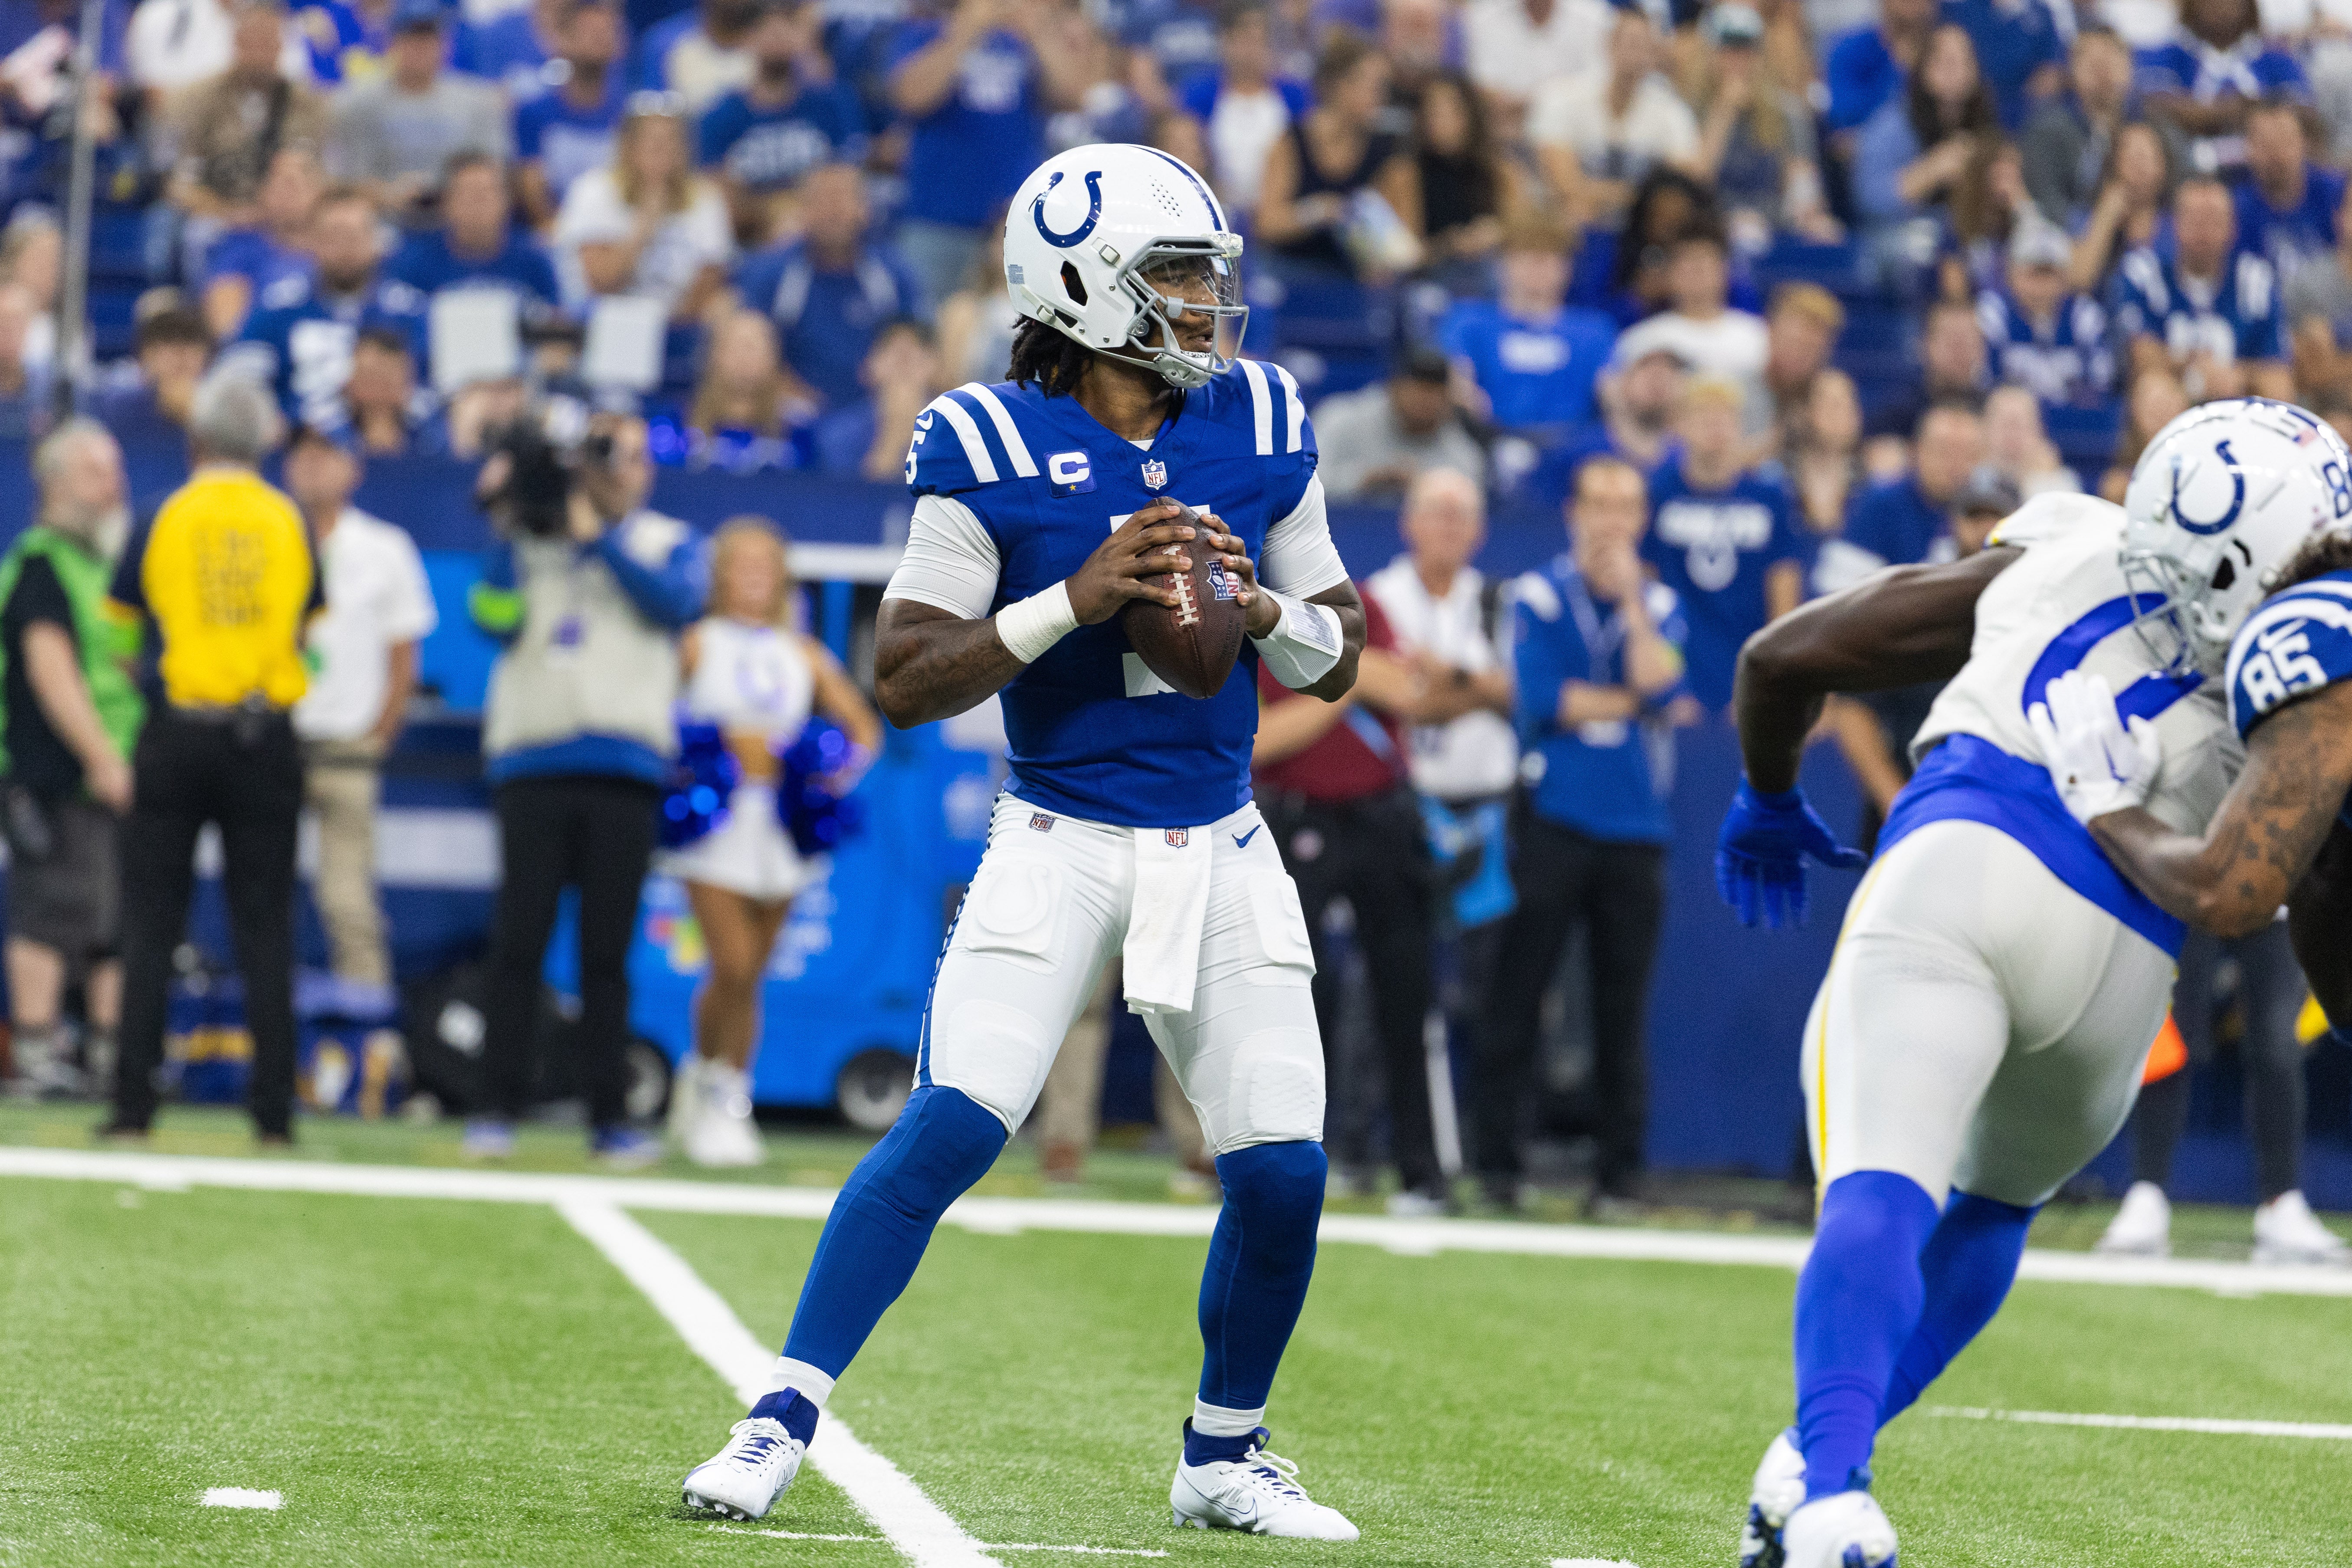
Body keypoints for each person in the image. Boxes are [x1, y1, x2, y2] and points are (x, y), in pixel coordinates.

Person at [675, 142, 1367, 1538]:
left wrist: (1262, 606)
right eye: (1173, 273)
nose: (1201, 302)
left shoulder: (1266, 419)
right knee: (948, 1126)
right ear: (1081, 287)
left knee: (1284, 1164)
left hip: (1217, 838)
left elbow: (1340, 651)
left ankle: (1222, 1451)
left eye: (1206, 274)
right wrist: (1075, 595)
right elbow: (907, 673)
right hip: (1060, 831)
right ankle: (778, 1415)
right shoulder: (981, 437)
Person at [1714, 400, 2347, 1568]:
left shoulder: (2067, 537)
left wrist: (1761, 792)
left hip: (1965, 865)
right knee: (1993, 1206)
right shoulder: (2309, 669)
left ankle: (1833, 1492)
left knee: (1879, 1183)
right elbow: (2286, 909)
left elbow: (1783, 655)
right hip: (2124, 975)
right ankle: (1808, 1468)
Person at [466, 410, 702, 1167]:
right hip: (531, 763)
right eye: (599, 456)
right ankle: (495, 1107)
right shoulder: (531, 539)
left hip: (623, 769)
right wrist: (509, 522)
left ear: (647, 469)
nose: (611, 469)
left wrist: (596, 538)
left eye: (626, 457)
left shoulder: (667, 540)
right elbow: (493, 619)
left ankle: (608, 1117)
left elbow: (674, 605)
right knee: (519, 943)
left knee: (606, 953)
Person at [101, 375, 318, 1147]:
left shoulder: (165, 512)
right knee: (266, 926)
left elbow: (124, 630)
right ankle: (274, 1115)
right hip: (265, 734)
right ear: (262, 445)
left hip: (178, 730)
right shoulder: (287, 518)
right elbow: (305, 623)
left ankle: (132, 1106)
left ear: (196, 441)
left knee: (152, 921)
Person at [1477, 456, 1684, 1215]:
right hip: (1555, 816)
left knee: (1620, 1008)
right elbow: (1541, 697)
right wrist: (1628, 701)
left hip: (1636, 828)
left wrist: (1631, 603)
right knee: (1519, 990)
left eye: (1625, 506)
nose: (1610, 521)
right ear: (1574, 511)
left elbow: (1662, 683)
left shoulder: (1660, 602)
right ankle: (1498, 1164)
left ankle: (1617, 1175)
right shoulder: (1536, 595)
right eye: (1598, 503)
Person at [658, 518, 879, 1166]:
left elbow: (863, 730)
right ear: (720, 575)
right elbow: (655, 716)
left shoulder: (804, 653)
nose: (753, 578)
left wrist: (821, 772)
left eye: (765, 566)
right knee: (730, 961)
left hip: (781, 827)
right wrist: (702, 759)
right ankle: (717, 1093)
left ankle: (714, 1087)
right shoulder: (697, 642)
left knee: (750, 973)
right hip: (714, 821)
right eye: (740, 565)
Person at [1252, 582, 1443, 1214]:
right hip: (1296, 814)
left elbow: (1411, 691)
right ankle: (1279, 1157)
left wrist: (1327, 685)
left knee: (1404, 992)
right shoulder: (1251, 608)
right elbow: (1260, 738)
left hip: (1380, 817)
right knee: (1289, 997)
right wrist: (1351, 681)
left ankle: (1420, 1170)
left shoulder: (1359, 600)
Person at [1362, 466, 1516, 1173]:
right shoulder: (1379, 596)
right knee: (1385, 981)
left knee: (1492, 988)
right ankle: (1363, 1140)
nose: (1449, 528)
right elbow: (1395, 696)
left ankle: (1488, 1154)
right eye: (1437, 513)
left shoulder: (1496, 600)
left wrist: (1439, 678)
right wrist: (1471, 688)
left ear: (1480, 530)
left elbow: (1519, 694)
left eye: (1462, 516)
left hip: (1484, 810)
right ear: (1409, 522)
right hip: (1404, 805)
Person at [0, 423, 139, 1099]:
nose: (113, 484)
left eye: (115, 469)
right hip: (51, 770)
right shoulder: (42, 563)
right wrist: (102, 756)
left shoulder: (105, 565)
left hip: (106, 770)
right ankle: (36, 1049)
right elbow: (51, 672)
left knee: (114, 916)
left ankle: (114, 1055)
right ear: (55, 483)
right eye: (95, 471)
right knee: (51, 910)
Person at [283, 423, 434, 1019]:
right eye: (305, 453)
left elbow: (405, 649)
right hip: (276, 740)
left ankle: (370, 1040)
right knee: (263, 892)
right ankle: (255, 1034)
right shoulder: (269, 536)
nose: (315, 467)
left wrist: (382, 729)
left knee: (349, 898)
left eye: (329, 455)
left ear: (355, 469)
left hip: (348, 743)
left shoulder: (385, 547)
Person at [2097, 920, 2348, 1264]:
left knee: (2277, 1045)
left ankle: (2281, 1201)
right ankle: (2146, 1193)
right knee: (2172, 1038)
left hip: (2272, 896)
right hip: (2192, 892)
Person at [1822, 465, 2013, 852]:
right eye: (1973, 517)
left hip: (2007, 824)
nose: (1984, 531)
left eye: (1997, 518)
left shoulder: (2037, 618)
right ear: (1952, 525)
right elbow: (1852, 710)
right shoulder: (1915, 612)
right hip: (1916, 812)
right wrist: (1899, 804)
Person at [885, 0, 1089, 309]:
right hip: (938, 219)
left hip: (1014, 222)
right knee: (926, 328)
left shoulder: (1020, 40)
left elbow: (1074, 96)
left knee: (1022, 328)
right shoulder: (922, 34)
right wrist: (967, 30)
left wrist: (1038, 33)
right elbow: (911, 97)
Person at [1642, 374, 1808, 710]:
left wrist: (1767, 687)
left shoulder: (1769, 498)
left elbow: (1784, 599)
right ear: (1681, 426)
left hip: (1747, 663)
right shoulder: (1658, 492)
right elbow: (1646, 592)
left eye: (1725, 417)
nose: (1715, 427)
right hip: (1682, 666)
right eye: (1703, 417)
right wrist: (1667, 687)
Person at [220, 184, 429, 433]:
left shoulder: (409, 311)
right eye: (334, 236)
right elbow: (239, 380)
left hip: (395, 448)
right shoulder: (279, 307)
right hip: (298, 444)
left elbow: (434, 392)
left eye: (354, 236)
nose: (345, 249)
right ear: (313, 242)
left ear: (376, 242)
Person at [732, 163, 923, 412]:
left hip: (873, 412)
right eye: (822, 200)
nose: (833, 212)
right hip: (792, 412)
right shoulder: (770, 274)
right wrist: (785, 389)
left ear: (864, 209)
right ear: (803, 210)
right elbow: (745, 346)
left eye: (842, 200)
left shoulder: (894, 273)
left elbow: (918, 348)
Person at [2111, 174, 2295, 403]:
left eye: (2214, 220)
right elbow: (2141, 359)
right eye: (2195, 220)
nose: (2204, 231)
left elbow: (2280, 377)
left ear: (2233, 227)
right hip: (2172, 408)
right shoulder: (2145, 274)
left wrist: (2239, 376)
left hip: (2237, 409)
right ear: (2174, 225)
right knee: (2153, 391)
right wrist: (2194, 370)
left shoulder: (2257, 280)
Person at [1253, 32, 1420, 283]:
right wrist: (1319, 212)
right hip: (1293, 277)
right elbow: (1268, 224)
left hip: (1354, 285)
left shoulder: (1388, 153)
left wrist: (1377, 248)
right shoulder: (1291, 142)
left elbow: (1408, 246)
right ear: (1341, 86)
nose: (1381, 97)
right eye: (1374, 86)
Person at [325, 0, 509, 225]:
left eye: (429, 37)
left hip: (459, 227)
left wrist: (453, 198)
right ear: (392, 43)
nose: (421, 47)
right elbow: (343, 182)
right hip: (383, 225)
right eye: (411, 37)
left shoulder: (478, 101)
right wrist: (388, 195)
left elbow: (496, 175)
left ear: (446, 43)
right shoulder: (357, 103)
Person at [698, 0, 866, 245]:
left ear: (802, 35)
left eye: (787, 25)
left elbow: (850, 182)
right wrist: (773, 214)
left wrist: (801, 214)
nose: (777, 36)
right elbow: (716, 199)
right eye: (765, 26)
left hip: (825, 240)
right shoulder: (719, 116)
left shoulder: (832, 103)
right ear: (747, 37)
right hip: (750, 246)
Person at [1437, 213, 1616, 442]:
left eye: (1550, 259)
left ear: (1568, 268)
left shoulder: (1594, 330)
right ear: (1503, 264)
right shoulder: (1470, 321)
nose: (1538, 269)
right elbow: (1457, 378)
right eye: (1528, 257)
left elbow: (1613, 395)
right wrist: (1470, 404)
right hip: (1489, 438)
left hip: (1572, 445)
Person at [554, 97, 734, 320]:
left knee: (725, 305)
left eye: (670, 143)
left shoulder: (705, 198)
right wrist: (644, 227)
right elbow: (601, 282)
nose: (660, 153)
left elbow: (710, 280)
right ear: (628, 147)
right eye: (651, 143)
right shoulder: (593, 191)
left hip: (679, 322)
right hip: (607, 317)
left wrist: (666, 328)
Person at [167, 0, 329, 230]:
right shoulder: (198, 100)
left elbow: (323, 176)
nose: (259, 55)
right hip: (215, 218)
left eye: (268, 44)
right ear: (236, 43)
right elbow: (178, 182)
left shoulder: (308, 104)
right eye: (251, 42)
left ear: (282, 47)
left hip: (290, 224)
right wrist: (226, 213)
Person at [1686, 3, 1837, 246]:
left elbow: (1802, 179)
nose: (1738, 60)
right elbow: (1694, 182)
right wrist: (1725, 110)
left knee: (1825, 234)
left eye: (1747, 50)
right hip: (1708, 225)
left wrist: (1809, 214)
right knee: (1746, 235)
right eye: (1728, 49)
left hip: (1773, 220)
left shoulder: (1787, 112)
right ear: (1711, 55)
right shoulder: (1690, 112)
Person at [1528, 9, 1696, 227]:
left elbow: (1680, 188)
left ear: (1656, 54)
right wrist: (1642, 195)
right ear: (1609, 44)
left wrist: (1595, 192)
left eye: (1646, 46)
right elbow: (1564, 185)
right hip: (1575, 225)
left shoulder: (1672, 112)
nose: (1636, 53)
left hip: (1640, 231)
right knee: (1571, 210)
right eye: (1632, 42)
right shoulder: (1561, 97)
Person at [1852, 23, 1998, 272]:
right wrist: (1930, 172)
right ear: (1925, 68)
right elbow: (1869, 198)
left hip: (1967, 237)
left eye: (1965, 62)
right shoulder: (1893, 124)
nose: (1956, 71)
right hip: (1900, 234)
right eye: (1946, 62)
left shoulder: (1984, 122)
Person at [1817, 400, 1985, 594]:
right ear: (1917, 451)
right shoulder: (1880, 503)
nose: (1955, 463)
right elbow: (1838, 595)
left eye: (1967, 453)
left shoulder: (1987, 509)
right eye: (1944, 450)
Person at [1610, 226, 1769, 422]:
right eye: (1689, 265)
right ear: (1670, 274)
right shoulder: (1642, 339)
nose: (1698, 272)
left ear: (1725, 272)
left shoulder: (1757, 334)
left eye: (1706, 264)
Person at [385, 151, 562, 325]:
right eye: (468, 195)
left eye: (486, 195)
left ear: (507, 202)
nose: (478, 205)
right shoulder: (412, 261)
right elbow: (389, 327)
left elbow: (556, 326)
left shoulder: (534, 260)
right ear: (447, 203)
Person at [2134, 0, 2307, 173]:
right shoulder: (2166, 54)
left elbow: (2305, 116)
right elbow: (2154, 106)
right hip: (2185, 172)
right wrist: (2232, 109)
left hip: (2260, 176)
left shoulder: (2275, 57)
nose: (2220, 4)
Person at [1178, 1, 1308, 219]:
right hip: (1218, 210)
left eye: (1260, 39)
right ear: (1225, 41)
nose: (1252, 49)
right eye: (1244, 38)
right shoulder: (1198, 96)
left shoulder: (1294, 97)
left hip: (1280, 210)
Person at [1311, 344, 1485, 500]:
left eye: (1435, 392)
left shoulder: (1461, 454)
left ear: (1449, 400)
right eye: (1417, 390)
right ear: (1394, 388)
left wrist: (1422, 489)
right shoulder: (1342, 420)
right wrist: (1365, 480)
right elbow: (1304, 485)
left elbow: (1469, 508)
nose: (1425, 401)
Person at [513, 0, 626, 230]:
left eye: (606, 32)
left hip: (618, 233)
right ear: (562, 39)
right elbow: (532, 191)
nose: (599, 40)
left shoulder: (629, 114)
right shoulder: (533, 113)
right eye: (589, 32)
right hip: (554, 234)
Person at [1978, 220, 2115, 404]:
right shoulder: (1994, 312)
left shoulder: (2084, 315)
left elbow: (2101, 383)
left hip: (2071, 427)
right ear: (2012, 274)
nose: (2040, 286)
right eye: (2033, 274)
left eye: (2049, 274)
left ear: (2064, 278)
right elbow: (1984, 380)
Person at [2021, 25, 2138, 232]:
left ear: (2129, 67)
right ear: (2073, 71)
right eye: (2091, 60)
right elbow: (2046, 205)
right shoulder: (2048, 130)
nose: (2102, 69)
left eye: (2111, 57)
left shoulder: (2151, 129)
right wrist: (2100, 223)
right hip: (2070, 248)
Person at [200, 145, 321, 342]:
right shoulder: (240, 248)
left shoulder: (340, 251)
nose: (290, 190)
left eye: (301, 180)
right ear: (263, 192)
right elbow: (226, 329)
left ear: (320, 190)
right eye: (281, 181)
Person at [812, 315, 943, 479]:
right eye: (891, 349)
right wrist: (894, 433)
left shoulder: (958, 428)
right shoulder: (839, 433)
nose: (904, 359)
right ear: (869, 367)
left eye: (917, 348)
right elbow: (852, 499)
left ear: (937, 366)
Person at [681, 308, 807, 470]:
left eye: (753, 347)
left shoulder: (800, 433)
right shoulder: (678, 425)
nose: (743, 357)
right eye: (734, 346)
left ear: (774, 358)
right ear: (714, 355)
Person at [2067, 118, 2178, 293]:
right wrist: (2105, 216)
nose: (2139, 167)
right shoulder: (2086, 218)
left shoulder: (2177, 224)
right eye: (2131, 157)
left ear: (2163, 167)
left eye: (2147, 157)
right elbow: (2078, 279)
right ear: (2114, 165)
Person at [1863, 296, 1986, 439]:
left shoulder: (1993, 411)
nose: (1960, 350)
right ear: (1925, 346)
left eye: (1968, 339)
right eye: (1952, 339)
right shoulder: (1895, 417)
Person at [1461, 0, 1610, 115]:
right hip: (1502, 126)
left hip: (1572, 131)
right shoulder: (1482, 18)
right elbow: (1478, 83)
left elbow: (1600, 80)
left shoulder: (1595, 17)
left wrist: (1533, 104)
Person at [1787, 367, 1864, 534]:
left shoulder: (1869, 479)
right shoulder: (1778, 476)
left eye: (1848, 405)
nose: (1841, 415)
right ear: (1807, 412)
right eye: (1832, 405)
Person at [1981, 384, 2080, 496]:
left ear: (2039, 431)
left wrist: (2039, 479)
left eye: (2020, 426)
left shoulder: (2061, 484)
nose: (2012, 435)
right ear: (1985, 429)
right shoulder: (1968, 478)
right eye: (2005, 425)